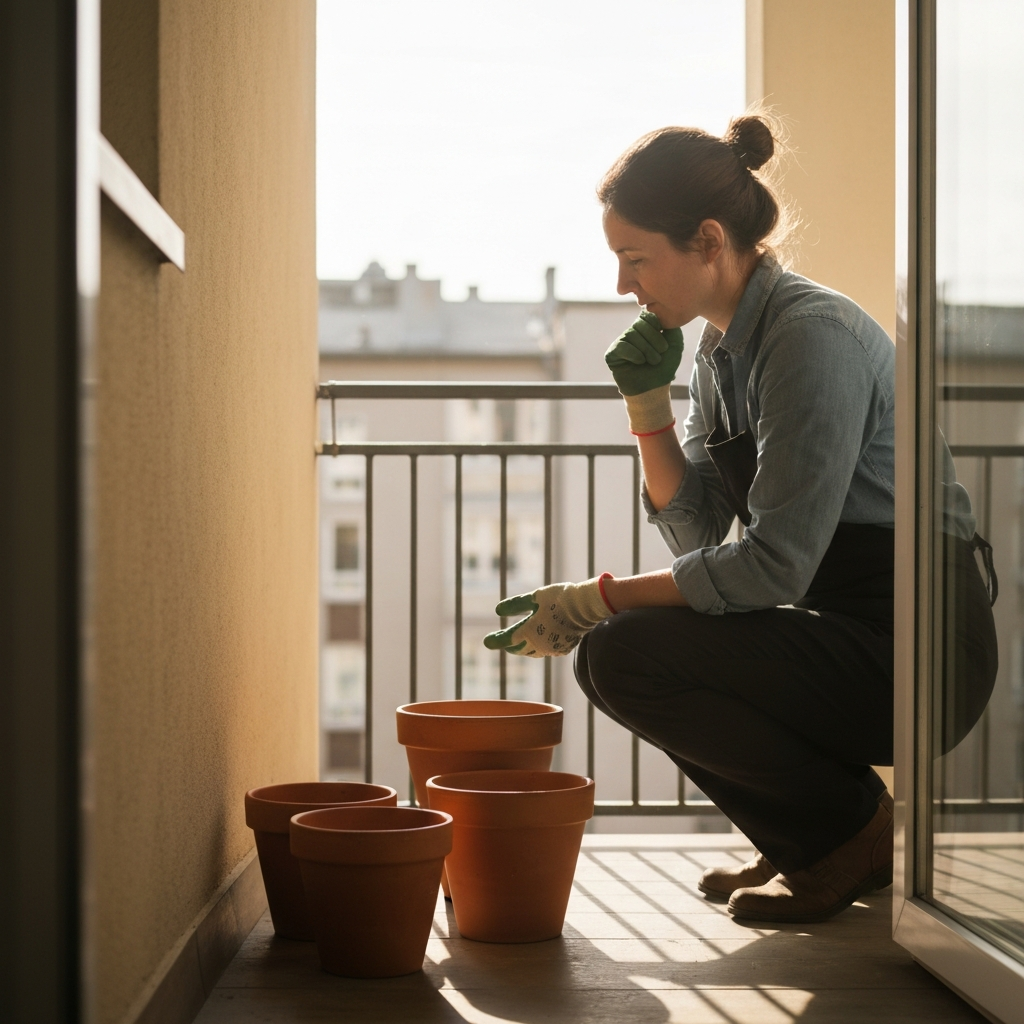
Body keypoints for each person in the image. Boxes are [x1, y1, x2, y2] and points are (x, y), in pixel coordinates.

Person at [484, 114, 997, 924]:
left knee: (623, 652)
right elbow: (695, 532)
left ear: (709, 240)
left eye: (635, 258)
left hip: (922, 651)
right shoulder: (722, 352)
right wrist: (646, 409)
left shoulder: (809, 339)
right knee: (610, 658)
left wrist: (600, 597)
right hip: (846, 629)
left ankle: (844, 837)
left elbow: (771, 569)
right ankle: (812, 835)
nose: (625, 286)